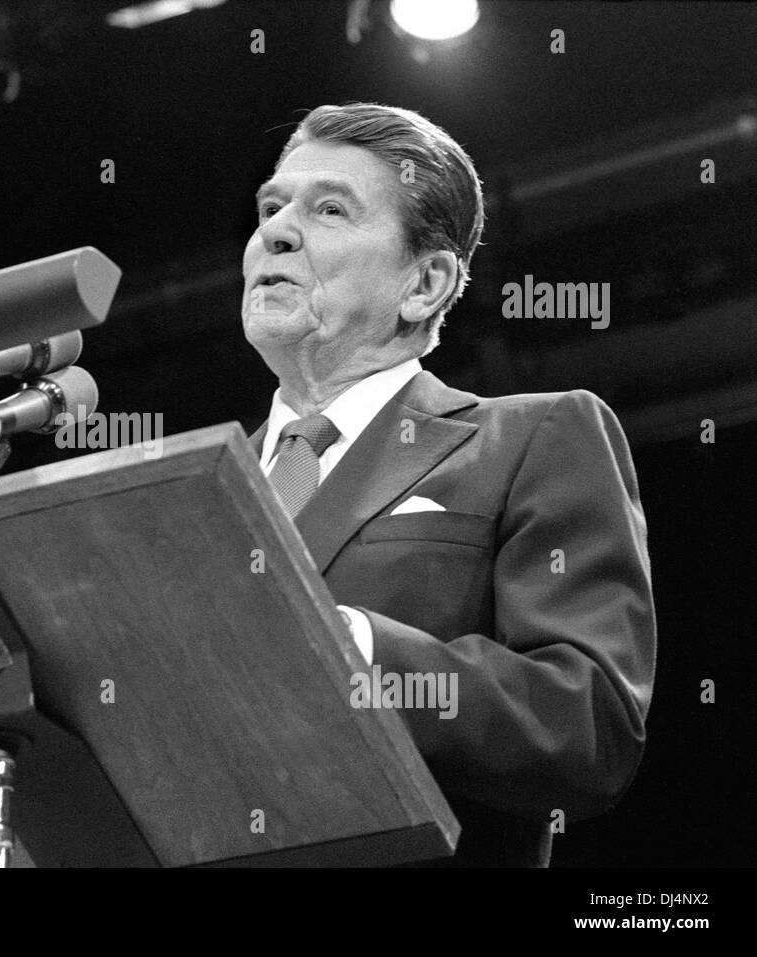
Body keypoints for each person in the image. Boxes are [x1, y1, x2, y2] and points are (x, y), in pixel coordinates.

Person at [244, 102, 656, 866]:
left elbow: (588, 726)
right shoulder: (192, 495)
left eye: (329, 208)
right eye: (271, 207)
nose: (275, 230)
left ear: (426, 282)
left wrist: (362, 647)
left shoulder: (537, 436)